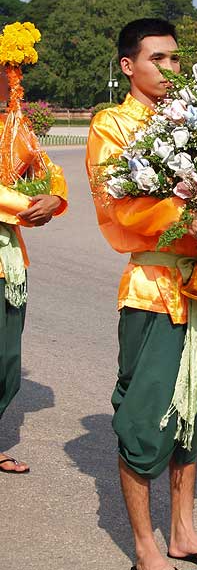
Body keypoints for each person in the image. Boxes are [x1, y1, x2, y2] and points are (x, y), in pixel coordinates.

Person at [85, 19, 197, 570]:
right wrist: (188, 212)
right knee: (144, 420)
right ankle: (146, 546)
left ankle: (183, 531)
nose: (171, 69)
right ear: (129, 65)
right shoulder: (112, 126)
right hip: (153, 291)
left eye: (176, 60)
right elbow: (118, 212)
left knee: (194, 408)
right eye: (159, 59)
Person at [0, 138, 68, 474]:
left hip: (8, 263)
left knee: (7, 363)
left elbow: (48, 169)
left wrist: (55, 198)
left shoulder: (13, 127)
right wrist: (27, 206)